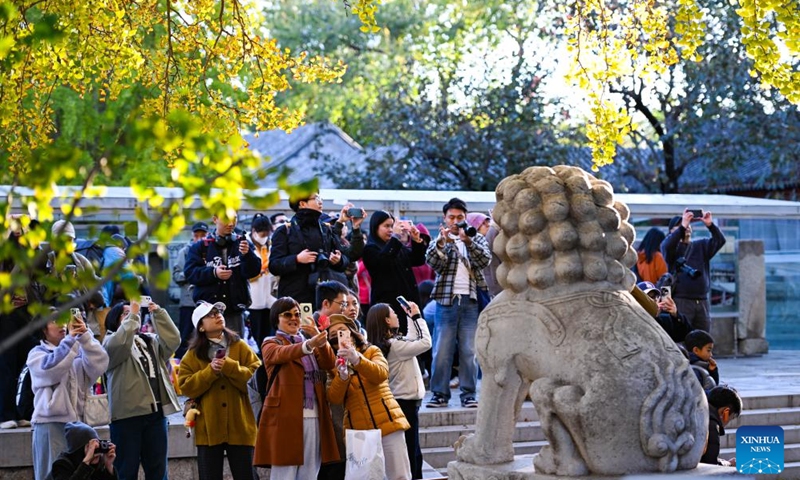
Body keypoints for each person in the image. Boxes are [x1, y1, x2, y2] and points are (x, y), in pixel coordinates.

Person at [253, 297, 339, 479]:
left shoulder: (310, 343)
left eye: (297, 314)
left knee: (310, 473)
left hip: (315, 413)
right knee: (285, 472)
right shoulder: (271, 342)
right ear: (276, 318)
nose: (294, 318)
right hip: (285, 416)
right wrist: (309, 344)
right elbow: (282, 354)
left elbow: (330, 363)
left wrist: (319, 340)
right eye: (287, 314)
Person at [178, 301, 261, 480]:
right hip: (208, 428)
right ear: (200, 326)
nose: (218, 316)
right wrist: (209, 372)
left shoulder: (240, 346)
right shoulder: (192, 354)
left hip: (240, 424)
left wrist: (230, 367)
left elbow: (257, 378)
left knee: (247, 475)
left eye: (219, 312)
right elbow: (186, 386)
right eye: (211, 314)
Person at [102, 300, 181, 480]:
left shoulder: (149, 340)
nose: (134, 315)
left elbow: (173, 340)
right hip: (127, 416)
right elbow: (120, 345)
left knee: (158, 471)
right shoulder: (109, 341)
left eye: (135, 311)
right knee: (125, 470)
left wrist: (158, 313)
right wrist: (133, 316)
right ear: (114, 320)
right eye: (126, 313)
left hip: (156, 414)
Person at [425, 198, 491, 409]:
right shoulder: (440, 240)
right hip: (446, 301)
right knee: (442, 350)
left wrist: (468, 242)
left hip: (470, 301)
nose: (455, 221)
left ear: (465, 218)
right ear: (444, 219)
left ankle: (469, 394)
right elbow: (433, 263)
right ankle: (439, 394)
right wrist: (443, 243)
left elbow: (484, 261)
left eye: (459, 217)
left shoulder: (476, 238)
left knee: (469, 351)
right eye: (451, 217)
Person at [327, 315, 411, 480]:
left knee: (400, 476)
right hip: (358, 429)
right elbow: (334, 398)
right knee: (365, 477)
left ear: (352, 333)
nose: (339, 337)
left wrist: (357, 359)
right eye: (333, 336)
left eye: (342, 331)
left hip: (388, 421)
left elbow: (381, 374)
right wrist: (342, 376)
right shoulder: (333, 365)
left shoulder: (371, 350)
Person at [28, 309, 109, 480]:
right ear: (43, 328)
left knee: (79, 474)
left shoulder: (76, 349)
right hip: (50, 424)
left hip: (77, 425)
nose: (62, 325)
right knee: (50, 475)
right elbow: (51, 370)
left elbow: (101, 363)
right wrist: (71, 340)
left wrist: (85, 336)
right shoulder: (37, 354)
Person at [366, 302, 431, 480]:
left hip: (404, 402)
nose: (396, 315)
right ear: (386, 320)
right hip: (405, 403)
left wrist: (410, 317)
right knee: (411, 450)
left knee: (412, 449)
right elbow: (425, 342)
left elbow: (411, 338)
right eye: (393, 313)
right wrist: (417, 317)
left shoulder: (391, 344)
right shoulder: (394, 346)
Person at [185, 212, 262, 338]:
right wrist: (213, 273)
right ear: (215, 219)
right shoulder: (200, 247)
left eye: (234, 219)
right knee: (209, 353)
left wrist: (248, 255)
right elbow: (190, 273)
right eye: (226, 219)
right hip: (208, 313)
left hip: (235, 312)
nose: (231, 224)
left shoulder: (243, 243)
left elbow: (253, 271)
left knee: (236, 352)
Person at [269, 192, 350, 308]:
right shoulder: (285, 231)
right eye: (316, 198)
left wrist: (339, 260)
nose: (321, 201)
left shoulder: (326, 229)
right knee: (303, 326)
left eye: (320, 198)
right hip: (296, 299)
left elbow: (345, 260)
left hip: (325, 298)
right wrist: (297, 259)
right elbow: (274, 265)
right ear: (302, 203)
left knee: (325, 326)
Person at [362, 211, 428, 337]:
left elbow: (417, 260)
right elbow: (383, 262)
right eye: (386, 226)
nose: (390, 230)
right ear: (375, 227)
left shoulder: (396, 246)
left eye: (392, 226)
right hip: (389, 306)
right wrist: (396, 238)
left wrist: (416, 241)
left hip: (407, 304)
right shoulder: (370, 249)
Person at [661, 209, 726, 332]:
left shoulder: (700, 245)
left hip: (702, 302)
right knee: (682, 337)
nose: (685, 227)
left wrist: (710, 225)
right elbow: (667, 245)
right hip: (680, 301)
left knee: (703, 339)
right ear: (671, 232)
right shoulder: (670, 248)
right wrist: (682, 227)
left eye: (687, 224)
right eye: (679, 226)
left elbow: (720, 241)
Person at [173, 221, 209, 358]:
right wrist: (194, 274)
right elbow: (176, 275)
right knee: (186, 335)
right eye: (197, 235)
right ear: (192, 236)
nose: (200, 238)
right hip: (188, 301)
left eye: (203, 235)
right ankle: (182, 364)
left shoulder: (211, 250)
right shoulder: (185, 252)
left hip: (206, 302)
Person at [45, 421, 117, 480]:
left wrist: (108, 467)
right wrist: (86, 461)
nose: (94, 450)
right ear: (79, 451)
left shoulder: (97, 464)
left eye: (96, 444)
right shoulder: (62, 465)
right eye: (90, 447)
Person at [247, 213, 277, 348]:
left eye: (266, 234)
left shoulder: (271, 244)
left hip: (271, 298)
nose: (264, 237)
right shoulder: (246, 245)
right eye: (262, 234)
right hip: (254, 298)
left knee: (270, 332)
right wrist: (257, 272)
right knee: (256, 332)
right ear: (254, 231)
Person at [700, 385, 742, 467]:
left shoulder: (699, 414)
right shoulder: (711, 425)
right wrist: (729, 464)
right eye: (731, 417)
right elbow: (710, 465)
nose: (728, 422)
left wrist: (724, 462)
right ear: (725, 412)